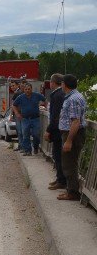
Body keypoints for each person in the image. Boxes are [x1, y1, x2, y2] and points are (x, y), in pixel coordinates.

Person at [56, 74, 88, 202]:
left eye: (62, 83)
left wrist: (69, 140)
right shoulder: (75, 96)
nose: (61, 85)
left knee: (69, 163)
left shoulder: (73, 99)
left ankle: (73, 192)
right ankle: (71, 189)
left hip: (73, 134)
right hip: (73, 133)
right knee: (70, 162)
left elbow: (75, 121)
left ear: (65, 84)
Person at [44, 73, 67, 190]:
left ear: (52, 82)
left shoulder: (57, 95)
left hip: (57, 130)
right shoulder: (60, 94)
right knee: (57, 155)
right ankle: (59, 178)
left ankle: (61, 180)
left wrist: (48, 130)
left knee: (58, 155)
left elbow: (55, 115)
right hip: (59, 129)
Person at [12, 82, 45, 155]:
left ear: (31, 89)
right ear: (24, 90)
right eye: (26, 89)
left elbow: (45, 100)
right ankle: (28, 150)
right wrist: (17, 113)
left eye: (29, 89)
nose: (27, 90)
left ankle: (36, 147)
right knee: (25, 135)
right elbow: (14, 105)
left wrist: (45, 107)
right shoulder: (21, 97)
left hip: (35, 118)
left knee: (36, 134)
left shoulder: (36, 95)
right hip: (25, 119)